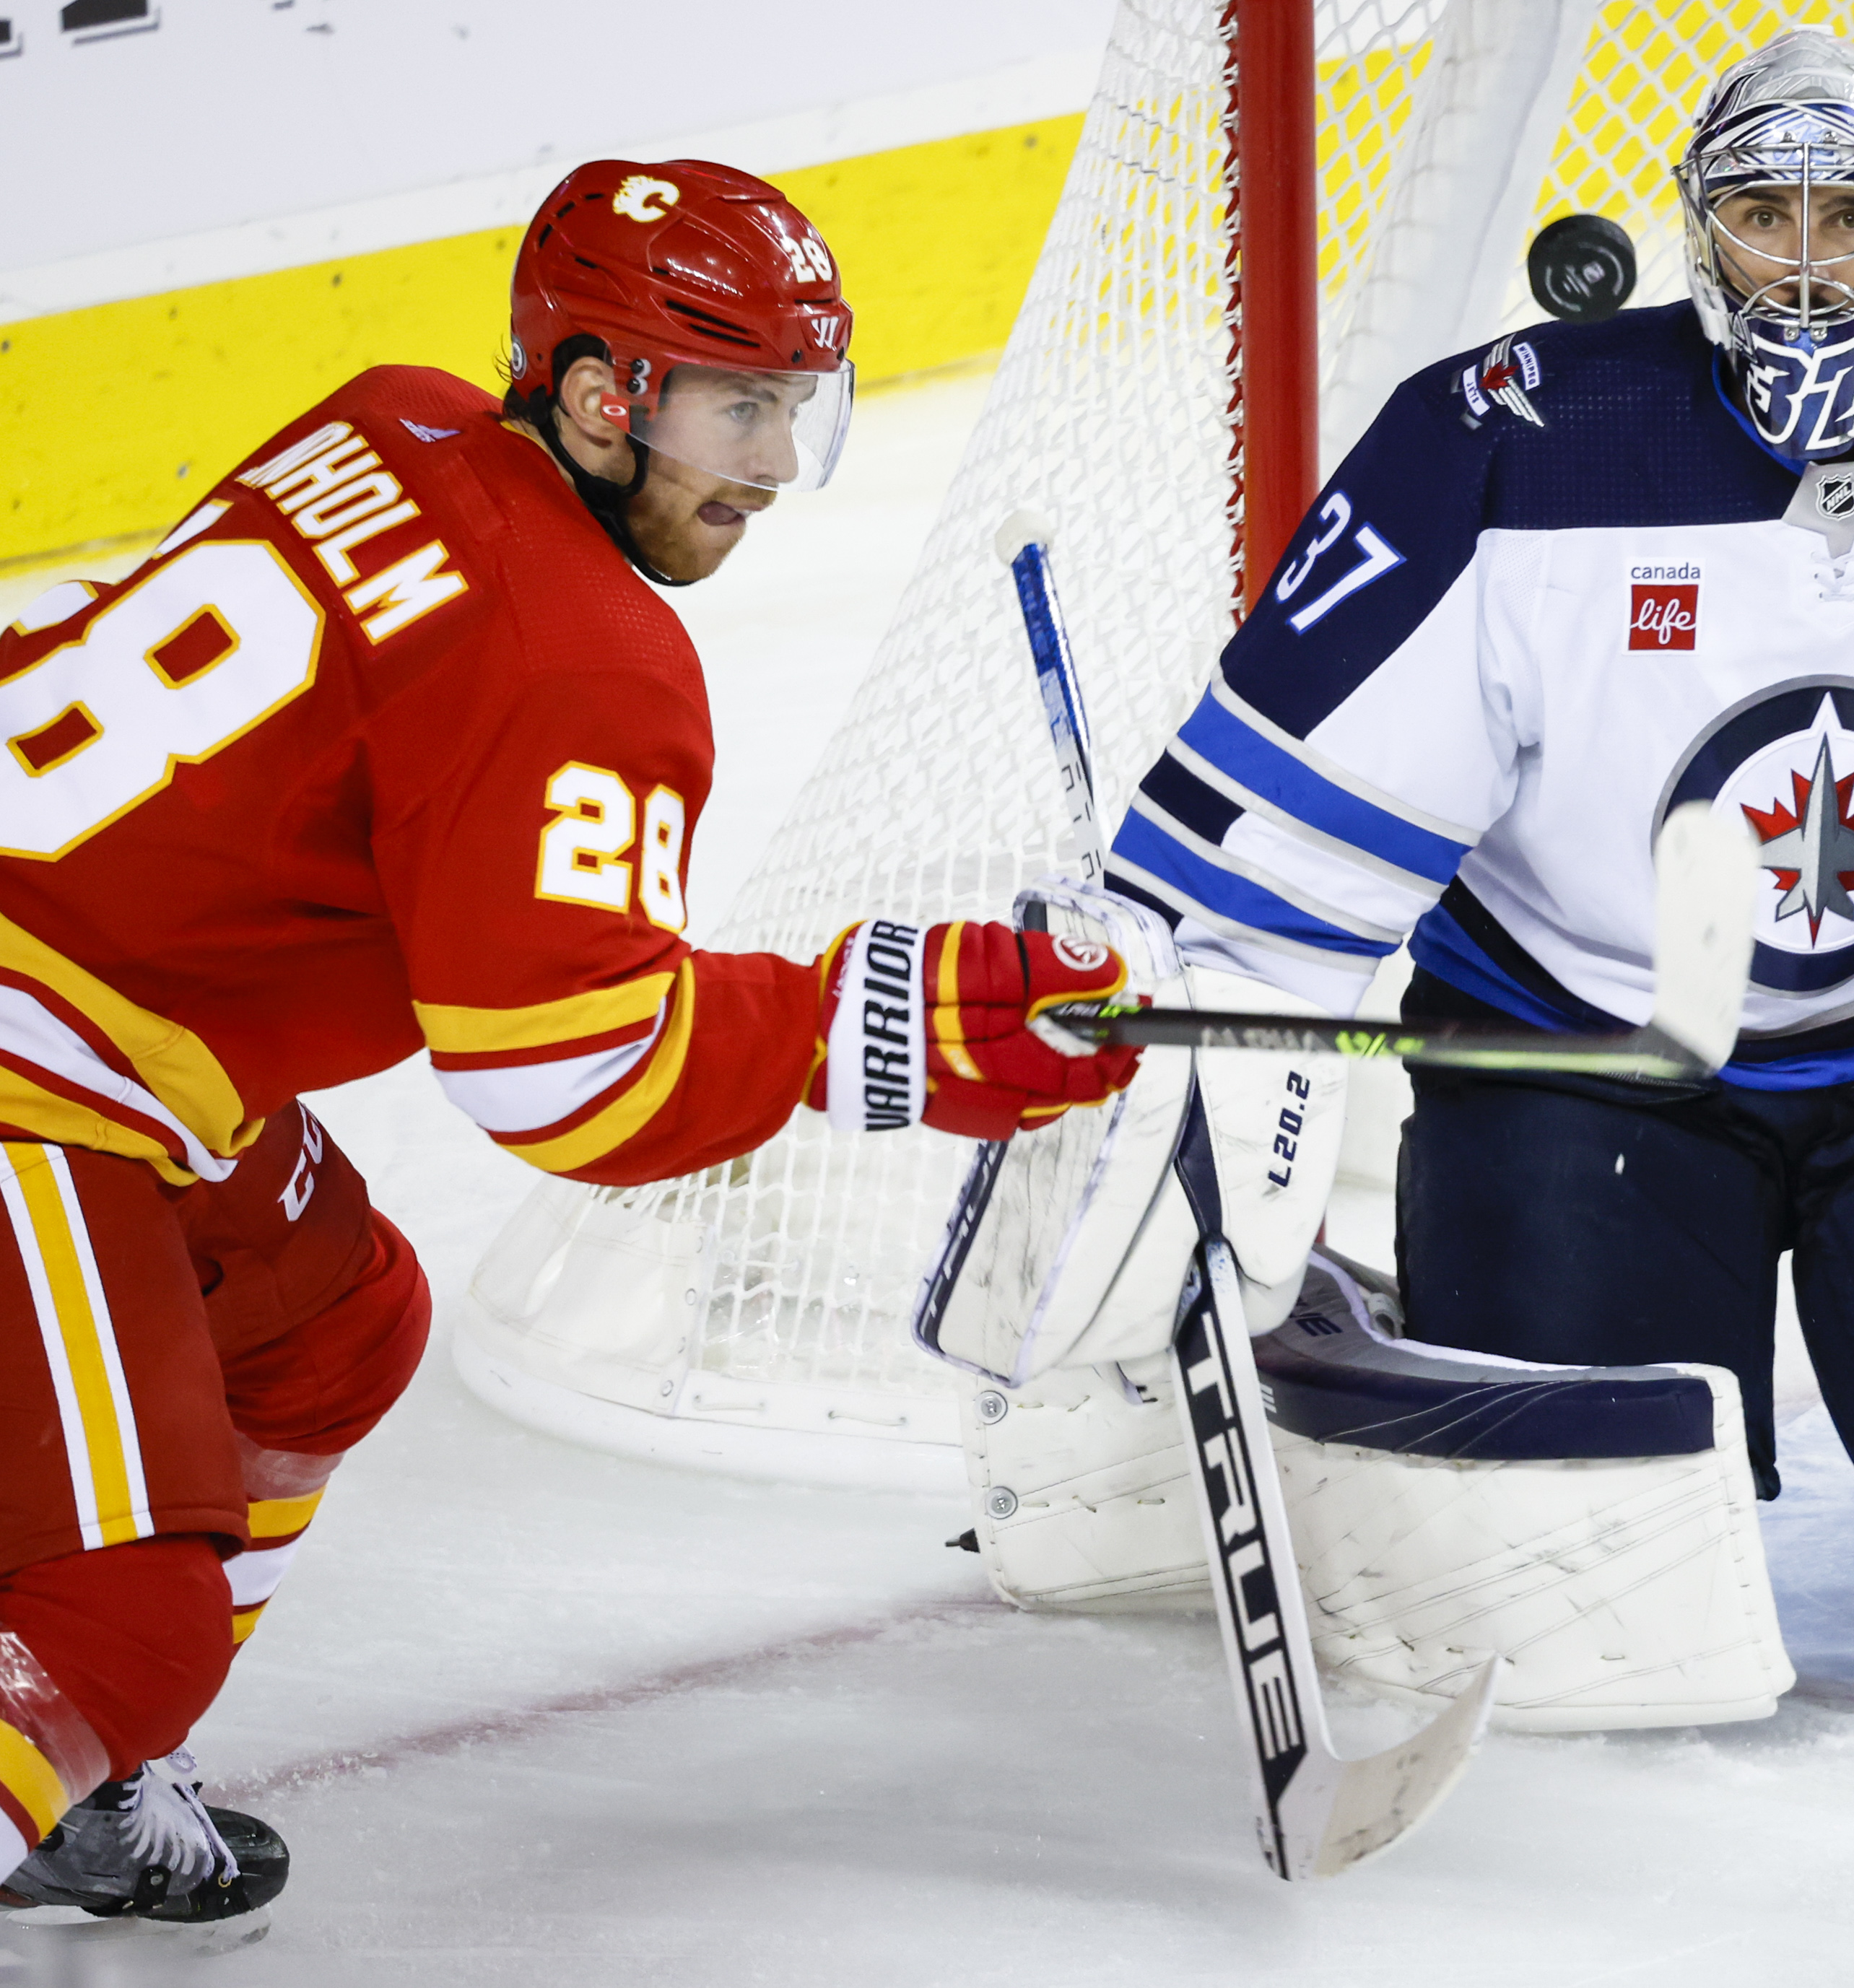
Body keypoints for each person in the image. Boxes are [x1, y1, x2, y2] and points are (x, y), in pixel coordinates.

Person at [0, 158, 1133, 1933]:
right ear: (604, 394)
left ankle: (91, 1761)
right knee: (118, 1627)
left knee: (336, 1315)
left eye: (792, 406)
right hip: (37, 1057)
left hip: (103, 1013)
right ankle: (80, 1702)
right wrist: (879, 1018)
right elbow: (561, 1076)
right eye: (735, 406)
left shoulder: (398, 419)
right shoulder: (584, 659)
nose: (770, 465)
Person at [1105, 34, 1854, 1520]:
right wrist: (1217, 1108)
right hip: (1579, 1049)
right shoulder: (1510, 445)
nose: (1804, 269)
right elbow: (1293, 830)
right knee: (1579, 1510)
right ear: (1700, 226)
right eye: (1763, 216)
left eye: (1851, 220)